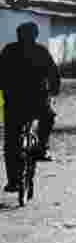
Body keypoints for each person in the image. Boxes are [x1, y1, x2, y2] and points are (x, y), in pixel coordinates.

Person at [1, 21, 60, 192]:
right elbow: (53, 73)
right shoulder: (40, 51)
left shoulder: (9, 50)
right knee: (48, 117)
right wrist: (54, 89)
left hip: (14, 103)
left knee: (11, 143)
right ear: (35, 35)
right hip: (37, 101)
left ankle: (13, 181)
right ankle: (42, 146)